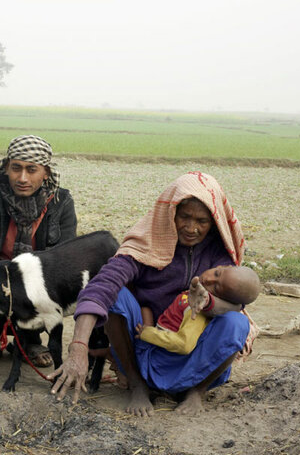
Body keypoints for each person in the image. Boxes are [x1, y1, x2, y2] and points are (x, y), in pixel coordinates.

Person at [50, 171, 258, 416]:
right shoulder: (145, 244)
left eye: (202, 221)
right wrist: (78, 346)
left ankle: (196, 391)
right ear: (171, 213)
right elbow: (101, 286)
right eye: (185, 217)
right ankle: (138, 385)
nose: (192, 228)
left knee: (237, 322)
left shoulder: (218, 255)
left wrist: (209, 301)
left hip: (193, 351)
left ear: (214, 221)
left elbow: (238, 302)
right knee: (115, 296)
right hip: (144, 344)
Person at [0, 135, 78, 368]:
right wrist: (7, 281)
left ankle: (30, 341)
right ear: (6, 168)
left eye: (31, 170)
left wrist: (25, 283)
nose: (23, 178)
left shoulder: (61, 202)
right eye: (16, 168)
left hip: (38, 283)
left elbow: (64, 258)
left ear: (46, 173)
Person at [137, 266, 260, 355]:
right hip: (158, 339)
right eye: (216, 273)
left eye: (216, 288)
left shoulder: (197, 312)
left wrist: (147, 333)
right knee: (144, 305)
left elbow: (184, 345)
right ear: (222, 266)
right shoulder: (194, 294)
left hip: (163, 356)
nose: (209, 280)